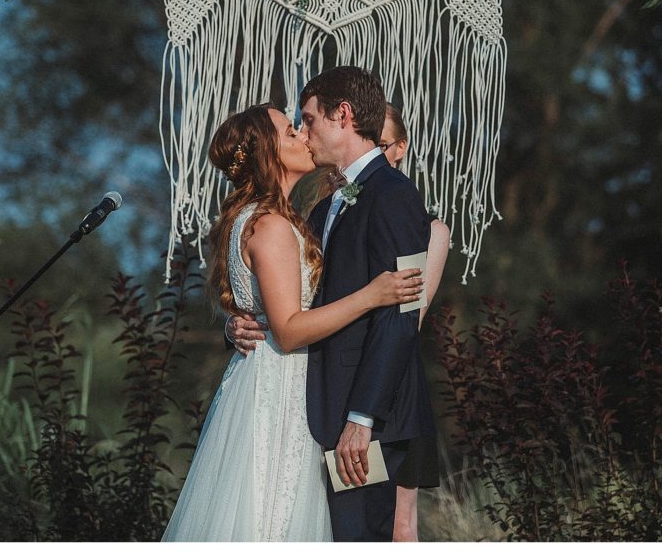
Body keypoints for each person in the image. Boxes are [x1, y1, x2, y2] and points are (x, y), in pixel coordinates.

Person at [162, 103, 423, 542]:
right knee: (273, 518)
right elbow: (287, 329)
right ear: (270, 155)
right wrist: (372, 295)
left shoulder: (283, 219)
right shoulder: (271, 226)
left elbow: (266, 311)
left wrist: (235, 326)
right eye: (290, 132)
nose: (303, 135)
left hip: (279, 383)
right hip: (282, 394)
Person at [229, 67, 436, 541]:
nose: (303, 133)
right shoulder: (324, 206)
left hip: (370, 422)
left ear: (342, 115)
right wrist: (240, 325)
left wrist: (362, 421)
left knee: (363, 535)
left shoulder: (395, 195)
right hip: (322, 414)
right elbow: (294, 302)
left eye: (308, 119)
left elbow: (399, 318)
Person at [380, 103, 450, 542]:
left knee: (400, 522)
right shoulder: (326, 212)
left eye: (381, 145)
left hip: (395, 384)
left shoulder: (431, 231)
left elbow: (412, 315)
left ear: (400, 149)